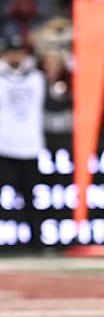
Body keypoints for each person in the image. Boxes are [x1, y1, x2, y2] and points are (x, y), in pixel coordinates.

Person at [0, 34, 45, 251]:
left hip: (30, 146)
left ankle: (36, 242)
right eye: (12, 52)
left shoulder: (36, 77)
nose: (16, 56)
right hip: (4, 146)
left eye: (19, 52)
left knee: (31, 198)